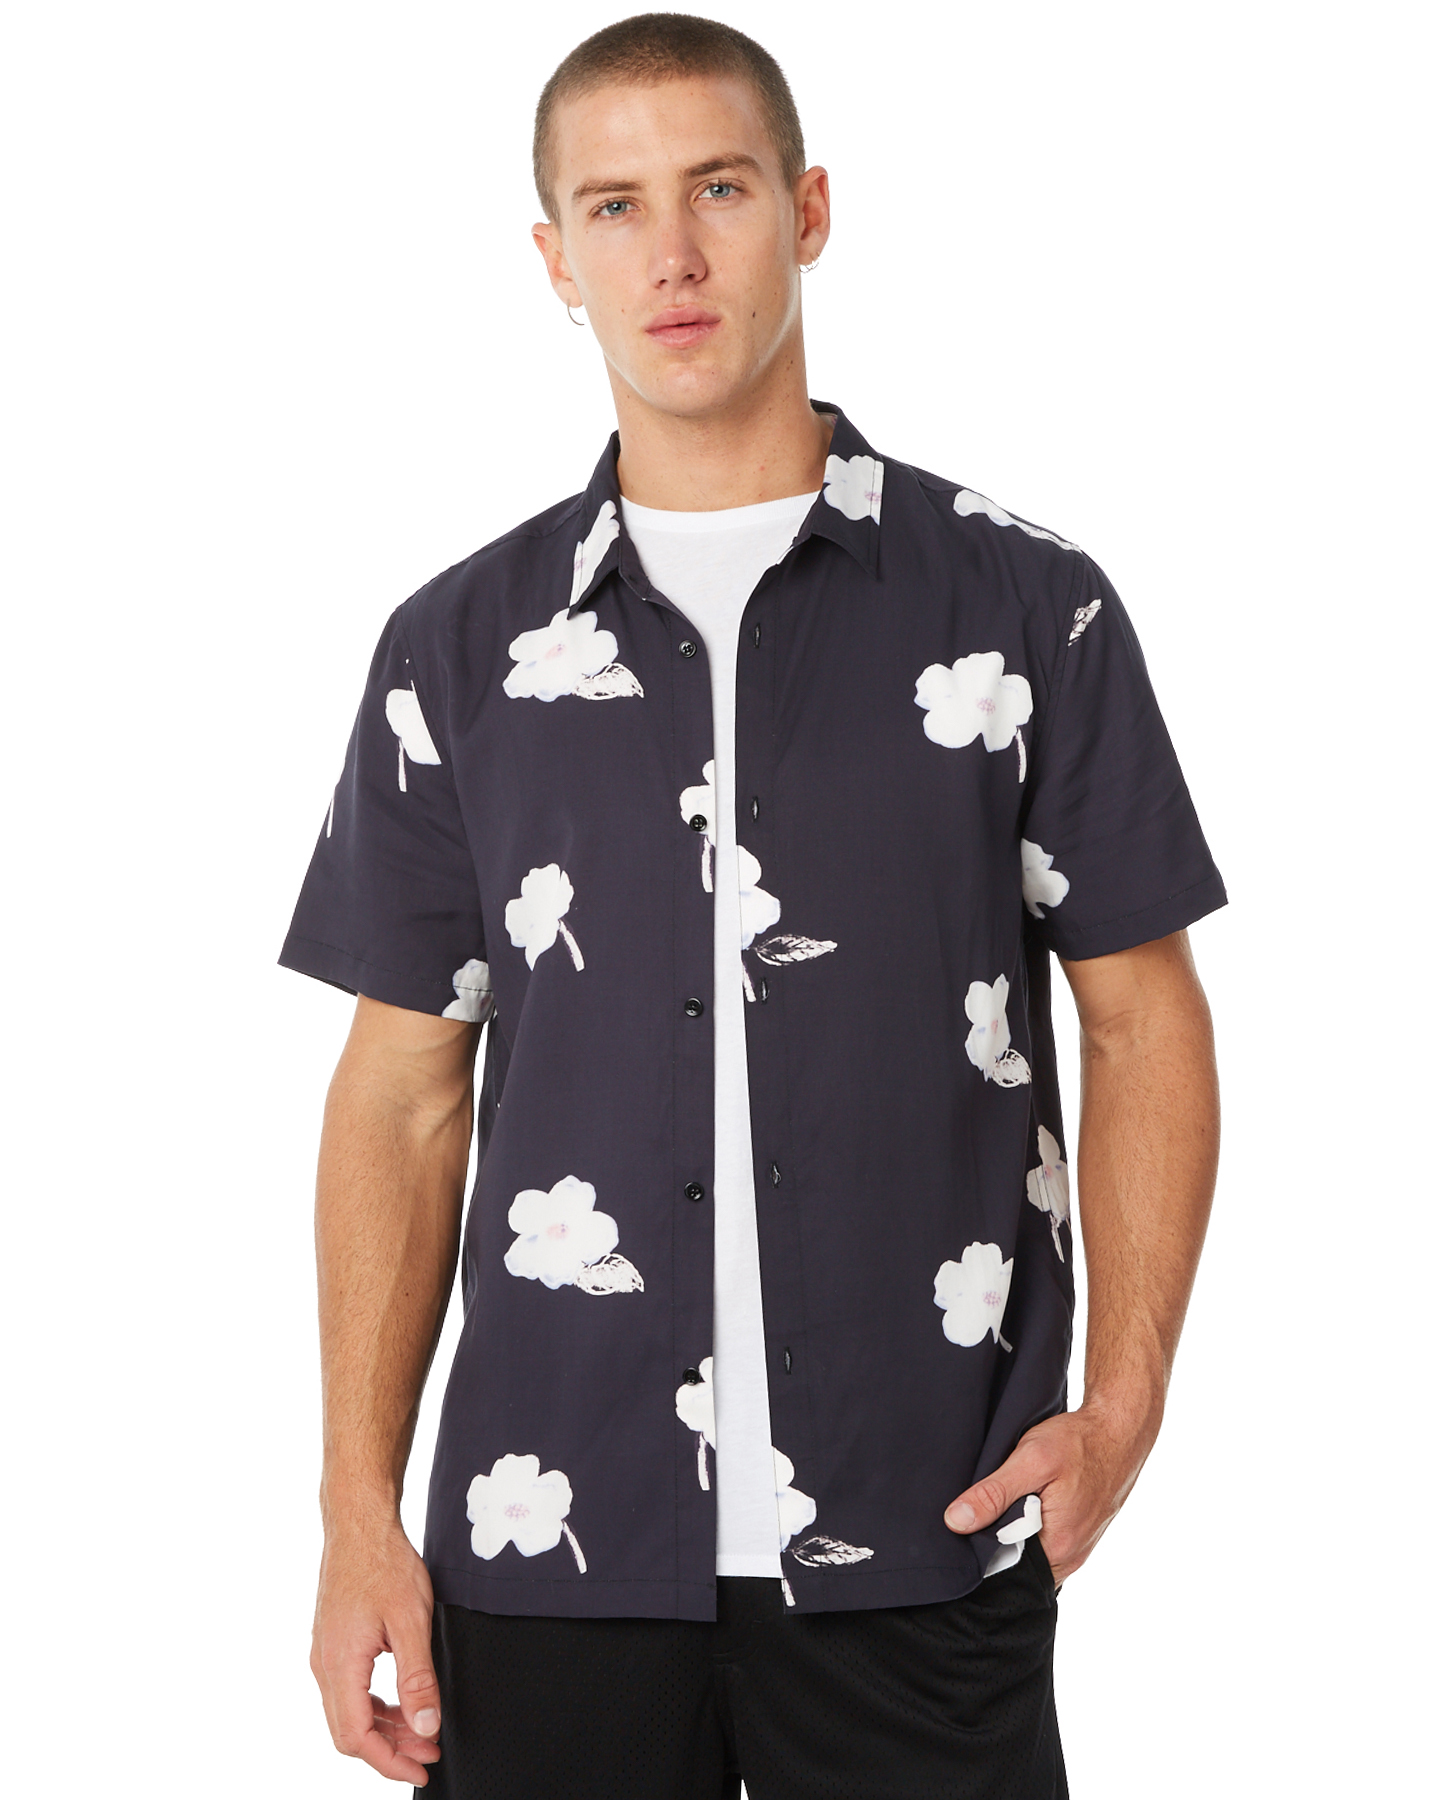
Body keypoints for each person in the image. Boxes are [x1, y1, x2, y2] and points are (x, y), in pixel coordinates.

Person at [279, 13, 1225, 1797]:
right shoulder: (458, 650)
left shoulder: (1027, 609)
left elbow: (1140, 1014)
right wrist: (354, 1512)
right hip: (548, 1547)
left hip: (929, 1528)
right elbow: (400, 1093)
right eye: (615, 206)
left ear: (808, 210)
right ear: (555, 259)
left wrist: (1126, 1404)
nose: (675, 253)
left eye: (717, 188)